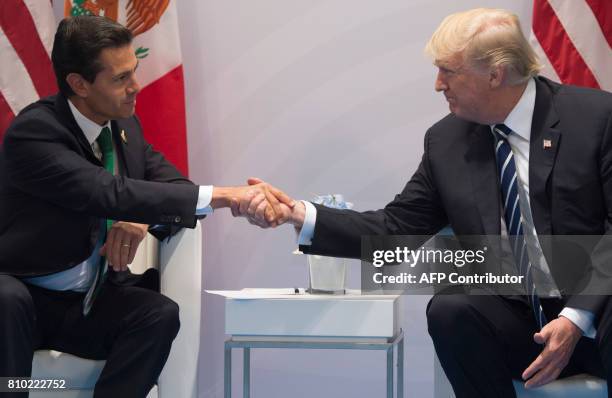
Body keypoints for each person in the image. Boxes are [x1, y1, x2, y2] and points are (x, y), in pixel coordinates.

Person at [234, 8, 612, 398]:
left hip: (598, 317)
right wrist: (299, 213)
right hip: (521, 326)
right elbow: (395, 230)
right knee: (452, 308)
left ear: (495, 74)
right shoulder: (446, 142)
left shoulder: (596, 118)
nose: (437, 84)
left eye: (449, 71)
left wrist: (574, 317)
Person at [0, 15, 292, 398]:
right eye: (121, 79)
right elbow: (105, 192)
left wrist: (139, 220)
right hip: (25, 296)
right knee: (5, 299)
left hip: (86, 303)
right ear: (78, 84)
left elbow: (174, 187)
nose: (136, 87)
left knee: (158, 314)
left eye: (133, 72)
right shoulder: (35, 133)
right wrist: (227, 195)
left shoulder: (123, 126)